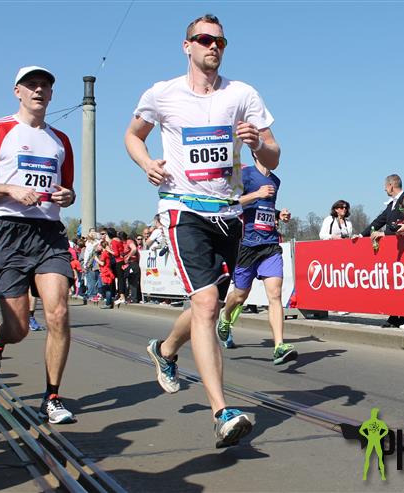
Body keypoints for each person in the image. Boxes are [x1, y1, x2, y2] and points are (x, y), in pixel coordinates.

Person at [124, 13, 279, 447]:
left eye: (220, 42)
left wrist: (258, 144)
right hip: (182, 208)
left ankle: (165, 350)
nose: (213, 46)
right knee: (207, 304)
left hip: (228, 213)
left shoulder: (242, 94)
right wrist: (146, 163)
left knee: (210, 303)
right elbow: (133, 135)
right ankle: (221, 411)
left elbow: (274, 154)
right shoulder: (163, 93)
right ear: (187, 45)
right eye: (205, 39)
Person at [0, 65, 77, 424]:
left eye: (45, 86)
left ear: (52, 94)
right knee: (20, 328)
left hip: (49, 232)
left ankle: (52, 397)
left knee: (58, 312)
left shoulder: (60, 140)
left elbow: (67, 190)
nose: (38, 90)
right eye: (31, 85)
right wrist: (9, 189)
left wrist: (69, 196)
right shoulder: (0, 129)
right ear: (18, 92)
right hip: (7, 231)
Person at [216, 154, 297, 363]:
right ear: (256, 153)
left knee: (275, 294)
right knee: (240, 296)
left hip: (270, 245)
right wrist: (256, 194)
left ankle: (279, 346)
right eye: (267, 152)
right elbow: (228, 204)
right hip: (247, 245)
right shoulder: (245, 175)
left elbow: (264, 207)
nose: (273, 156)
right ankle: (225, 316)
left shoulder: (276, 180)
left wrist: (279, 215)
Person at [356, 174, 404, 328]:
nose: (384, 189)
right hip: (393, 251)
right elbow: (378, 222)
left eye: (385, 186)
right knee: (395, 284)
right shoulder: (391, 205)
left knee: (403, 284)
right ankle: (395, 316)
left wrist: (385, 234)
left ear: (391, 185)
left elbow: (403, 225)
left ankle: (403, 316)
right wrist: (361, 235)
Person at [96, 240, 116, 308]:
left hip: (105, 272)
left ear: (102, 246)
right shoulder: (107, 253)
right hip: (107, 271)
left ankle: (108, 304)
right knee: (108, 288)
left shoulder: (104, 253)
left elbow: (102, 263)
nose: (98, 246)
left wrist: (96, 259)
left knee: (107, 288)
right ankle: (108, 302)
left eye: (99, 245)